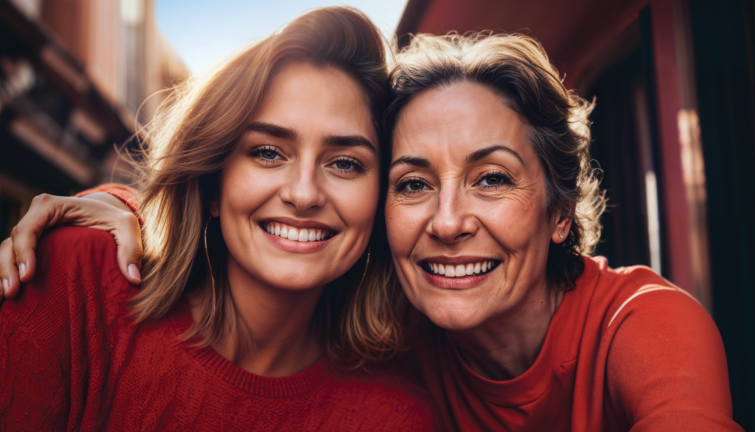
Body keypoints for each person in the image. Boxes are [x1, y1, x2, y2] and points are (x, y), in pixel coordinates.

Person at [1, 32, 741, 431]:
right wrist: (119, 208)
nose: (448, 223)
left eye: (491, 177)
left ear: (559, 212)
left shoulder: (637, 324)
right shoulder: (395, 332)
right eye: (414, 183)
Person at [0, 8, 437, 431]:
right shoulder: (74, 279)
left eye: (344, 163)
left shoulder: (394, 418)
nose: (303, 194)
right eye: (268, 152)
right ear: (212, 183)